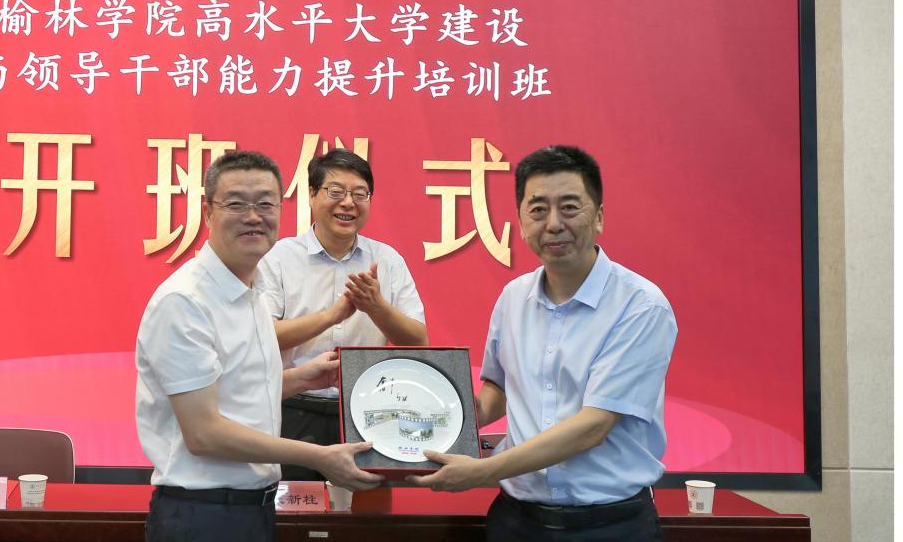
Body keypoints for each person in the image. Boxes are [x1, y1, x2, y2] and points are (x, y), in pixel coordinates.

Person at [410, 145, 677, 541]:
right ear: (521, 221)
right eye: (538, 209)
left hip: (610, 526)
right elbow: (497, 390)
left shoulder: (640, 306)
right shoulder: (513, 298)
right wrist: (426, 424)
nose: (553, 224)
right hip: (516, 522)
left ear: (599, 216)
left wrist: (482, 471)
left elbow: (593, 426)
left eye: (569, 207)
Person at [136, 150, 382, 542]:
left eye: (266, 204)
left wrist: (302, 379)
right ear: (208, 211)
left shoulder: (252, 292)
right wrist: (319, 457)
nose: (254, 216)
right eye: (236, 204)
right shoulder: (185, 301)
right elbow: (204, 433)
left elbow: (235, 392)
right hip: (202, 513)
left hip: (253, 509)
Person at [258, 148, 428, 480]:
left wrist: (376, 307)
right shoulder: (279, 257)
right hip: (293, 408)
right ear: (312, 195)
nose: (348, 203)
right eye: (336, 192)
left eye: (360, 194)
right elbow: (262, 336)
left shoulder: (387, 260)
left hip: (369, 415)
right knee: (296, 507)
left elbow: (418, 339)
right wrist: (331, 316)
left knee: (367, 509)